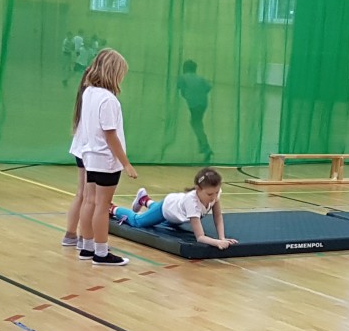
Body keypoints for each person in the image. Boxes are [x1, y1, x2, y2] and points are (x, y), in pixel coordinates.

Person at [67, 49, 137, 266]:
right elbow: (110, 134)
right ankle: (101, 252)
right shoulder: (108, 100)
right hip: (105, 159)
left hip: (90, 155)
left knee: (90, 200)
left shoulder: (88, 92)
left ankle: (87, 247)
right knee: (102, 205)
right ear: (114, 72)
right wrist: (126, 163)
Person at [113, 167, 238, 251]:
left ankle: (144, 199)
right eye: (210, 194)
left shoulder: (214, 194)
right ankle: (112, 208)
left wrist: (222, 237)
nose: (214, 197)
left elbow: (218, 216)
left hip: (176, 211)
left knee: (159, 217)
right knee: (138, 221)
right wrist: (217, 243)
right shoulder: (192, 203)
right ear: (198, 189)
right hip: (167, 208)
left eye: (216, 192)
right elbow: (200, 237)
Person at [177, 61, 215, 163]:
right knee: (197, 123)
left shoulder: (183, 77)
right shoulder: (200, 78)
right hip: (203, 103)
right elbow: (208, 87)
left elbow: (180, 87)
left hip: (194, 104)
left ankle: (205, 147)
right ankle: (203, 147)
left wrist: (189, 94)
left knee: (196, 124)